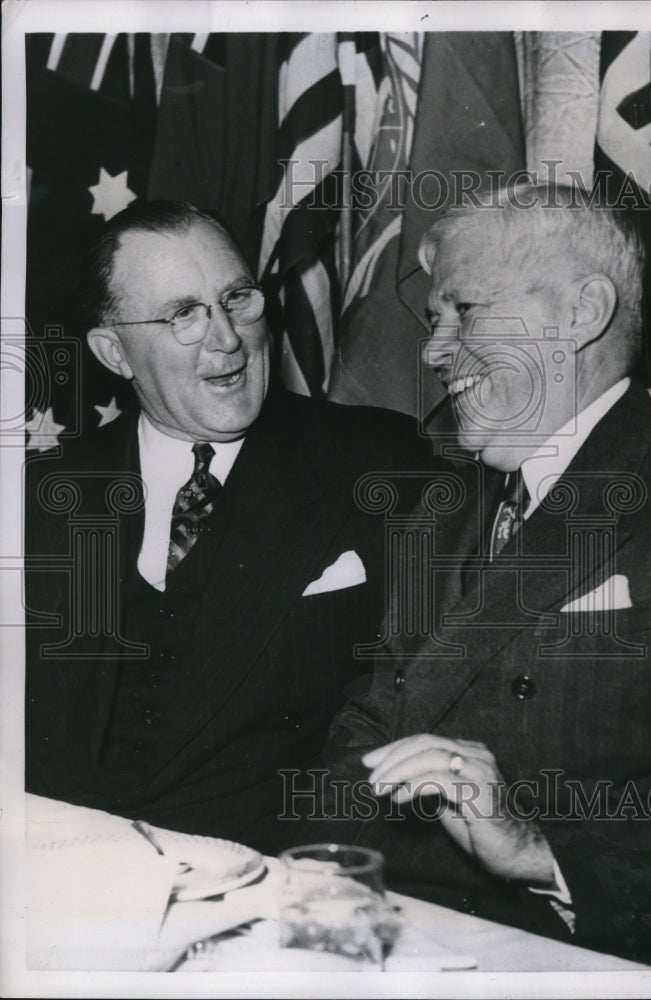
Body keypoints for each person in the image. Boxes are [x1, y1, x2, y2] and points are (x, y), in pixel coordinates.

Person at [278, 184, 651, 971]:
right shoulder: (444, 502)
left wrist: (536, 848)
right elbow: (366, 726)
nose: (433, 351)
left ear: (581, 313)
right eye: (436, 321)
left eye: (464, 312)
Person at [24, 200, 428, 843]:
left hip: (267, 876)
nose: (227, 338)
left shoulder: (381, 461)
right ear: (114, 352)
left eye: (237, 297)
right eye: (183, 313)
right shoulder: (34, 496)